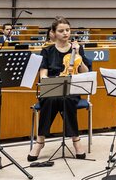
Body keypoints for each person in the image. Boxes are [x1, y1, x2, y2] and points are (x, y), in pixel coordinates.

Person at [27, 17, 91, 161]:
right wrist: (52, 81)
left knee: (67, 99)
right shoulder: (47, 51)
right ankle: (41, 141)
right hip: (52, 88)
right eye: (61, 31)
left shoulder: (78, 49)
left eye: (67, 30)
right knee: (52, 99)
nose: (65, 33)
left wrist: (78, 54)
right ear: (54, 33)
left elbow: (85, 72)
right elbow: (43, 75)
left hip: (71, 89)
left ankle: (75, 140)